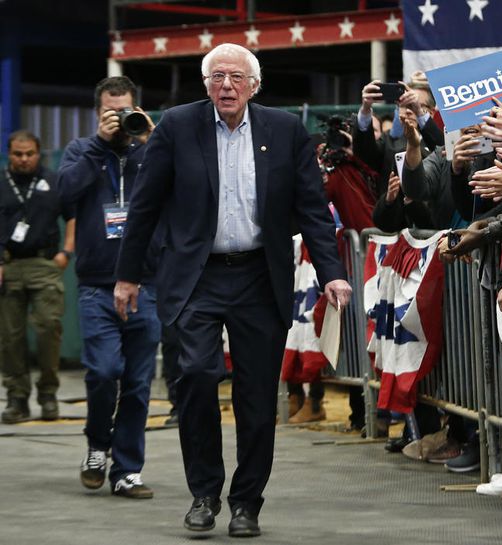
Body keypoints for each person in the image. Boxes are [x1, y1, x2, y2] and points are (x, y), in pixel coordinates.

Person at [113, 43, 352, 537]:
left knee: (257, 397)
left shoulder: (284, 131)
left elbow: (311, 209)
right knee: (197, 376)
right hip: (197, 275)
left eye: (236, 78)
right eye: (217, 76)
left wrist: (332, 271)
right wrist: (128, 275)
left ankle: (246, 503)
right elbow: (145, 206)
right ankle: (204, 493)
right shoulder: (178, 126)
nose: (226, 85)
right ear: (206, 85)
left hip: (258, 277)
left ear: (254, 86)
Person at [57, 76, 160, 499]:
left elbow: (184, 185)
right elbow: (63, 196)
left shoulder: (149, 150)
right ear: (98, 113)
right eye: (110, 112)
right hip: (97, 285)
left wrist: (153, 139)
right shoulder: (82, 151)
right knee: (103, 372)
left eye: (125, 110)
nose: (120, 119)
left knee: (138, 383)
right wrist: (100, 144)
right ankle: (98, 446)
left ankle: (127, 469)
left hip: (145, 284)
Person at [0, 130, 75, 423]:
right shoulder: (2, 182)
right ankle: (17, 398)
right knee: (10, 338)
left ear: (38, 153)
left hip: (45, 263)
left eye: (29, 153)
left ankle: (48, 393)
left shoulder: (54, 181)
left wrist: (66, 252)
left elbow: (72, 216)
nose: (23, 159)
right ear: (10, 154)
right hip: (8, 265)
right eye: (18, 154)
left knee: (48, 328)